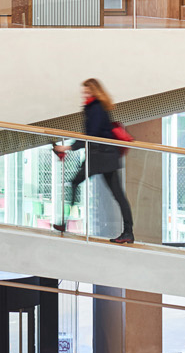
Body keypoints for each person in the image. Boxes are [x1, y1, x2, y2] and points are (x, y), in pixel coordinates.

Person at [51, 78, 134, 244]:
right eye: (84, 91)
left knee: (112, 193)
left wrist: (67, 147)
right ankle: (128, 232)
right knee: (116, 194)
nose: (84, 94)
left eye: (87, 91)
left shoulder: (95, 108)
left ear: (94, 91)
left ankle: (65, 223)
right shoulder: (95, 107)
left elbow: (92, 135)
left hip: (102, 157)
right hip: (103, 156)